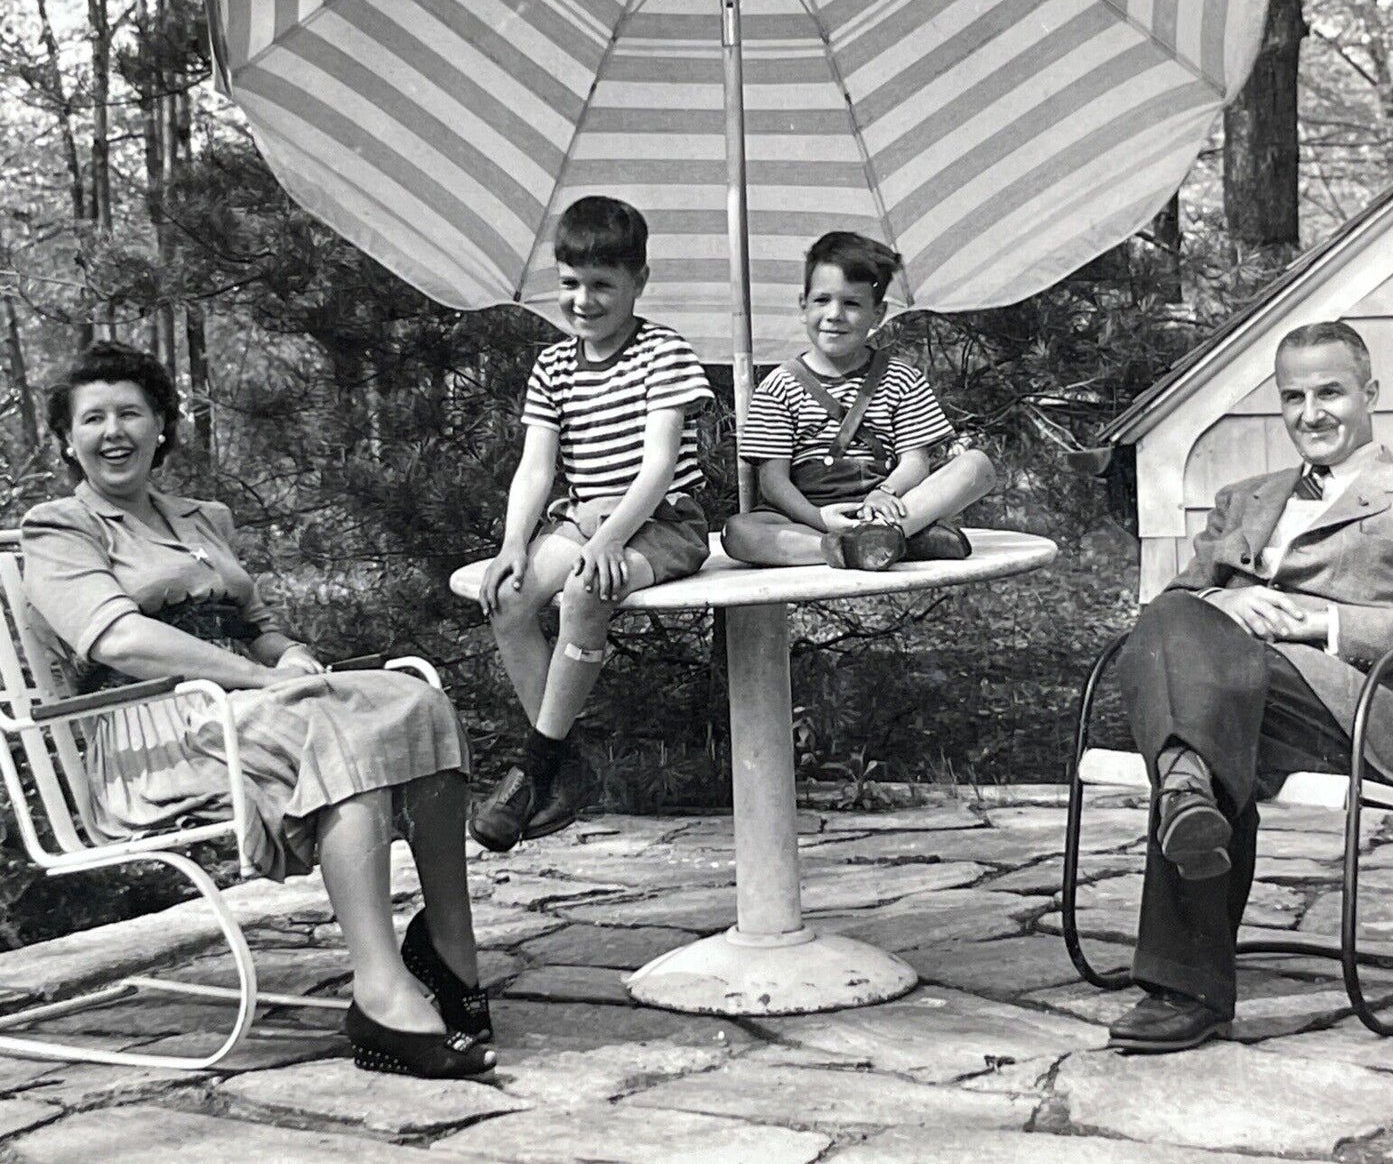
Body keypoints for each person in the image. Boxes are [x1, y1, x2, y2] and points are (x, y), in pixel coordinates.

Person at [20, 342, 495, 1081]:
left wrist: (285, 656)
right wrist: (254, 677)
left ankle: (449, 951)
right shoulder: (61, 527)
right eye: (93, 418)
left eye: (130, 412)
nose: (113, 431)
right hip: (152, 727)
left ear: (162, 428)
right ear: (67, 440)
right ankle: (378, 991)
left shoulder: (204, 517)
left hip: (239, 703)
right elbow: (121, 637)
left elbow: (257, 623)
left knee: (416, 699)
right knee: (340, 729)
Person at [1105, 320, 1393, 1054]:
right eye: (1292, 396)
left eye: (1330, 392)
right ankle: (1188, 794)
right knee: (1185, 634)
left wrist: (1311, 621)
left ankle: (1183, 969)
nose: (1310, 413)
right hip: (1233, 701)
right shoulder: (1244, 497)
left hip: (1352, 711)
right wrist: (1224, 603)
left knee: (1200, 681)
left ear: (1370, 394)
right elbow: (1171, 611)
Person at [470, 195, 714, 853]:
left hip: (659, 519)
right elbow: (535, 467)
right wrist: (513, 543)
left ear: (639, 282)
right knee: (512, 597)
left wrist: (608, 540)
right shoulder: (552, 366)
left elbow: (660, 465)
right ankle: (565, 763)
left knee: (586, 591)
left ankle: (535, 765)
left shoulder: (663, 352)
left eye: (603, 284)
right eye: (571, 284)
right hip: (584, 517)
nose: (584, 301)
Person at [721, 231, 994, 571]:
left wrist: (886, 494)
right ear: (802, 307)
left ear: (878, 315)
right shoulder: (779, 385)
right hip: (810, 518)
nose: (834, 315)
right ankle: (869, 546)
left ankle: (887, 535)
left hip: (888, 506)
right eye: (822, 300)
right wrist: (819, 519)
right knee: (738, 532)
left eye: (851, 303)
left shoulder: (902, 379)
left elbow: (914, 463)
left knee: (976, 466)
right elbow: (773, 481)